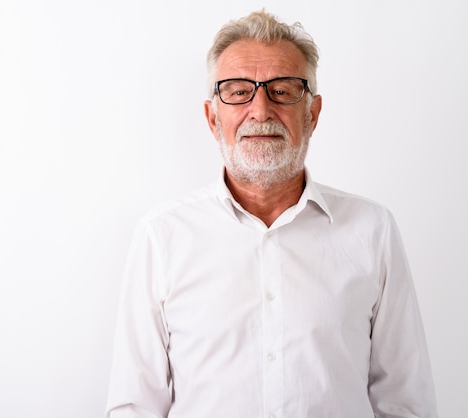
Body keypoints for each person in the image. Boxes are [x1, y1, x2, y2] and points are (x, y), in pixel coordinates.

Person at [105, 9, 438, 418]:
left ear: (311, 115)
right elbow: (134, 407)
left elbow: (405, 403)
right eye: (238, 91)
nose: (260, 110)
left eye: (282, 90)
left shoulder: (372, 231)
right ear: (213, 118)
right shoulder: (162, 237)